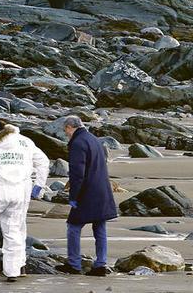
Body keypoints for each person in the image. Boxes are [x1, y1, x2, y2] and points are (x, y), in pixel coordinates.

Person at [0, 121, 49, 282]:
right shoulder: (25, 142)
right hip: (21, 191)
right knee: (14, 230)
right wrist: (38, 186)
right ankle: (13, 270)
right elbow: (43, 162)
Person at [57, 116, 117, 276]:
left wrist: (73, 197)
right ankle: (100, 264)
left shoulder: (77, 143)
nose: (66, 134)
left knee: (73, 227)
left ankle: (74, 264)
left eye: (65, 131)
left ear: (70, 127)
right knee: (100, 227)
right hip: (102, 189)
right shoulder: (94, 139)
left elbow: (77, 173)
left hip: (87, 191)